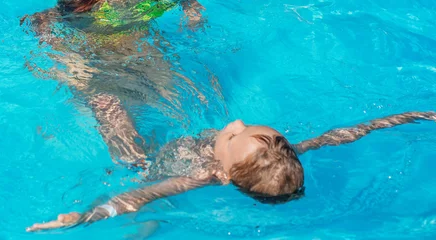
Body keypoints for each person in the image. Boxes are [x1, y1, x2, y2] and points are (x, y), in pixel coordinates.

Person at [22, 0, 220, 165]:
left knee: (187, 100)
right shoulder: (90, 2)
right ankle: (140, 171)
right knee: (110, 108)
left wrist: (191, 8)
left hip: (141, 51)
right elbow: (38, 20)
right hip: (96, 62)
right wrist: (68, 62)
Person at [26, 110, 436, 232]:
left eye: (233, 136)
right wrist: (410, 117)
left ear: (222, 174)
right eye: (251, 127)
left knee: (120, 133)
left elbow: (138, 197)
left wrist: (84, 217)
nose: (236, 124)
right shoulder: (287, 152)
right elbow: (347, 134)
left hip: (149, 165)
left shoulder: (200, 176)